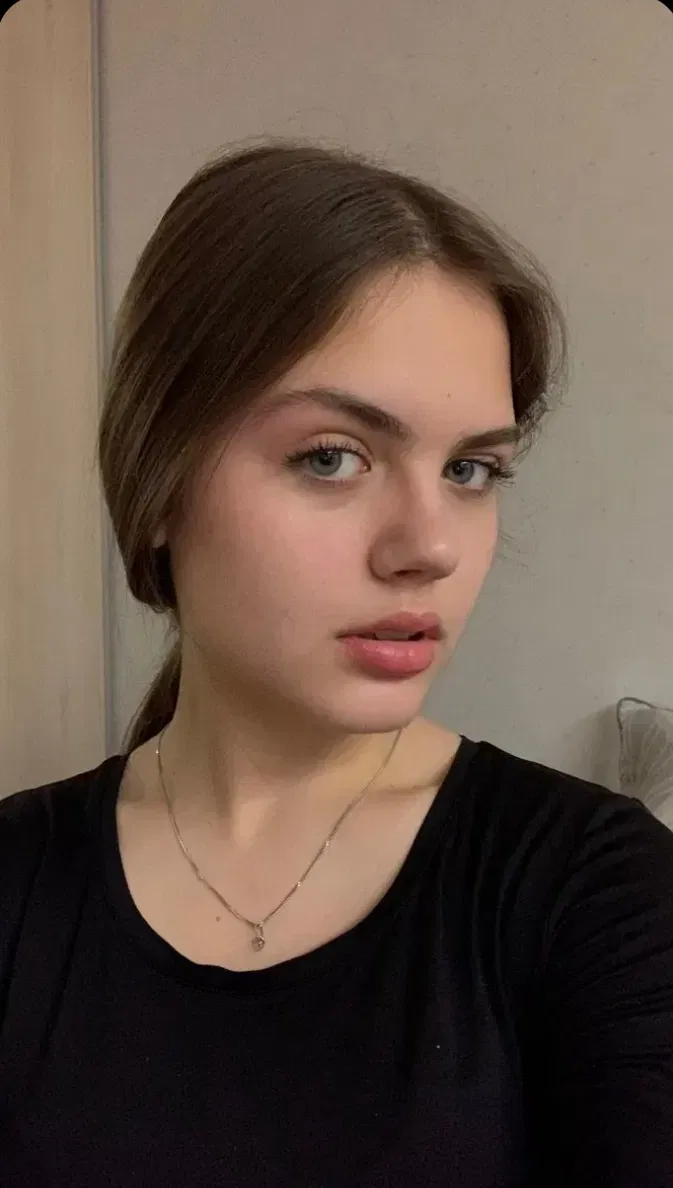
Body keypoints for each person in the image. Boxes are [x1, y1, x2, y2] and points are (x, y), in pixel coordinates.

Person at [1, 140, 672, 1188]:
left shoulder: (598, 890)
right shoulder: (16, 886)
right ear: (159, 475)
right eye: (331, 457)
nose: (430, 545)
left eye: (470, 469)